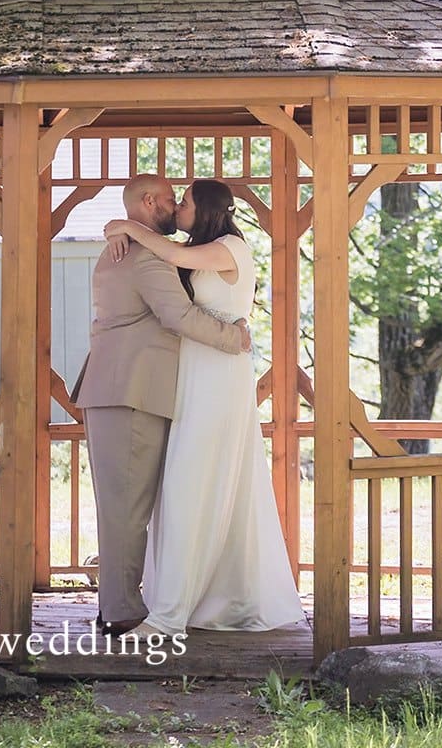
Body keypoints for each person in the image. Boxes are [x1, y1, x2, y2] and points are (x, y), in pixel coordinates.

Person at [103, 178, 304, 636]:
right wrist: (119, 229)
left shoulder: (230, 247)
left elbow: (170, 253)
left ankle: (170, 615)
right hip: (193, 373)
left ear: (207, 208)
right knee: (186, 484)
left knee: (191, 483)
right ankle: (197, 597)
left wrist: (126, 226)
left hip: (218, 375)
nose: (178, 209)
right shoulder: (202, 250)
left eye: (186, 201)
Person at [70, 173, 252, 635]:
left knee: (121, 503)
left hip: (120, 389)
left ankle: (118, 602)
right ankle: (121, 611)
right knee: (127, 506)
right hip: (131, 392)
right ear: (150, 203)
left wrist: (123, 228)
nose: (176, 209)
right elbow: (179, 315)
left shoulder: (125, 248)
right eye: (172, 201)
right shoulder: (145, 257)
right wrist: (235, 338)